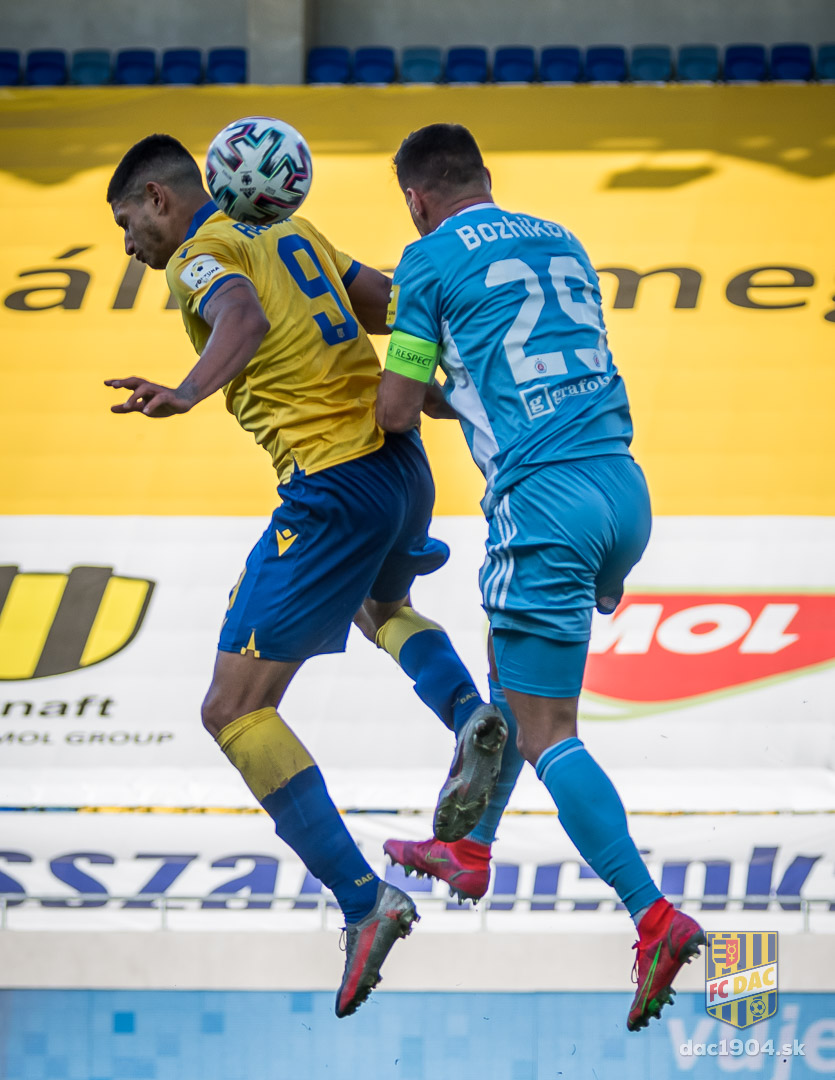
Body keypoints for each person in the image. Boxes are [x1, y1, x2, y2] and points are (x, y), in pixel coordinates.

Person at [103, 132, 508, 1017]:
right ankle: (468, 714)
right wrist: (456, 379)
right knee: (382, 604)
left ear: (161, 199)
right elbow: (389, 303)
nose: (129, 244)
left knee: (232, 709)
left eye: (128, 222)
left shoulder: (202, 256)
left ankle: (365, 902)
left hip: (330, 487)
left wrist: (187, 390)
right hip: (401, 467)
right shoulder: (295, 231)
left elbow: (241, 320)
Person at [376, 123, 705, 1032]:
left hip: (544, 503)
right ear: (485, 178)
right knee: (511, 682)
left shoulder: (425, 262)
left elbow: (396, 409)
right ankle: (469, 849)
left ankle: (652, 916)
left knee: (546, 733)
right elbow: (522, 363)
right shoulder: (561, 238)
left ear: (415, 199)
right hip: (620, 490)